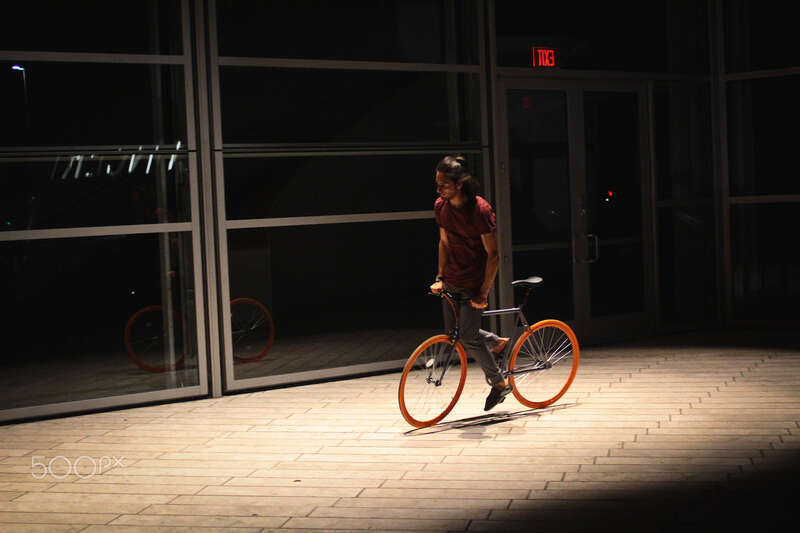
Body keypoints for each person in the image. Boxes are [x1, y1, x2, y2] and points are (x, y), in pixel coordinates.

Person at [429, 155, 512, 411]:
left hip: (474, 281)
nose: (438, 188)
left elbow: (494, 255)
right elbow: (443, 243)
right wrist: (440, 278)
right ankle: (497, 343)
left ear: (458, 185)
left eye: (443, 184)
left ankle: (499, 384)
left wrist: (483, 292)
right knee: (454, 334)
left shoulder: (480, 210)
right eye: (437, 183)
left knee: (468, 336)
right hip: (452, 278)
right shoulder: (441, 207)